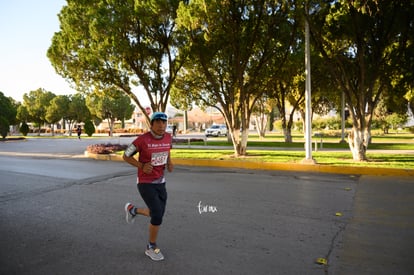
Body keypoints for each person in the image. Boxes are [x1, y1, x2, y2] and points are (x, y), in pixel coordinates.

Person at [123, 112, 173, 261]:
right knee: (157, 215)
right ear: (151, 124)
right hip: (145, 182)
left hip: (160, 181)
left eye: (164, 123)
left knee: (157, 213)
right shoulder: (142, 140)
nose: (161, 126)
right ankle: (151, 247)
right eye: (157, 122)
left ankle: (133, 210)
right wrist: (141, 165)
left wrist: (169, 162)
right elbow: (126, 155)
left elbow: (167, 150)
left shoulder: (168, 137)